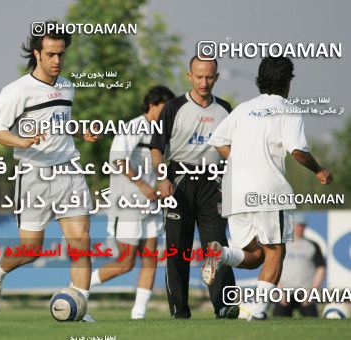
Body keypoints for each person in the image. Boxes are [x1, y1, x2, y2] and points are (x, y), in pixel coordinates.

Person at [0, 21, 99, 321]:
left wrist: (81, 130)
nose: (57, 61)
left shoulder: (67, 86)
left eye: (61, 54)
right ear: (37, 53)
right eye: (51, 54)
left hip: (69, 171)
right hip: (34, 175)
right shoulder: (16, 90)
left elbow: (60, 123)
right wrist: (21, 140)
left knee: (81, 241)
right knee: (31, 249)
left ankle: (80, 307)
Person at [203, 56, 333, 320]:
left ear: (259, 80)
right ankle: (260, 312)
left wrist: (241, 162)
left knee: (256, 255)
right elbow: (297, 150)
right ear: (288, 81)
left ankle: (222, 253)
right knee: (276, 250)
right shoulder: (288, 109)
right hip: (269, 192)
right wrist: (319, 170)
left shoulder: (243, 109)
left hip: (234, 190)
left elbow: (216, 139)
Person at [150, 56, 238, 319]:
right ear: (190, 76)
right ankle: (179, 309)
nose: (204, 82)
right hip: (179, 181)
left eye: (209, 77)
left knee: (217, 247)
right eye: (199, 77)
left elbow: (234, 151)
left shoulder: (225, 109)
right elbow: (156, 147)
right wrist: (162, 176)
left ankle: (224, 306)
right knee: (178, 248)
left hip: (214, 182)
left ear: (217, 77)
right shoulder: (174, 107)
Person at [89, 86, 176, 320]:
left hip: (151, 206)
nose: (168, 112)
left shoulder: (163, 133)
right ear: (152, 105)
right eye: (164, 107)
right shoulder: (134, 127)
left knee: (150, 259)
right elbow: (118, 161)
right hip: (127, 205)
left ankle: (139, 315)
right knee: (125, 262)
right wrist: (143, 186)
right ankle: (78, 287)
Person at [273, 212, 326, 317]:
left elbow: (321, 268)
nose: (300, 228)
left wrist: (312, 291)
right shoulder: (280, 245)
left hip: (306, 293)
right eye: (297, 225)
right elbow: (273, 268)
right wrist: (279, 290)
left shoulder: (313, 245)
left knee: (313, 322)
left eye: (302, 225)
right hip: (284, 292)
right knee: (277, 320)